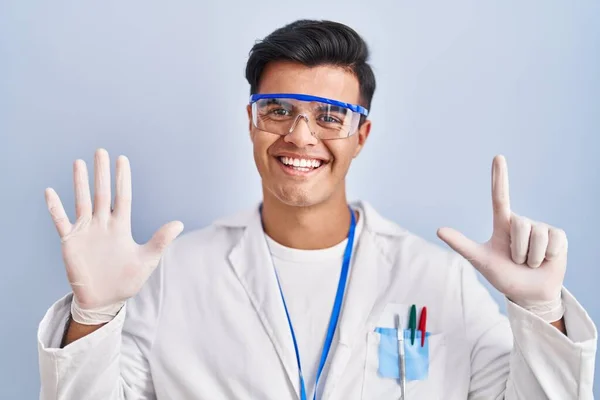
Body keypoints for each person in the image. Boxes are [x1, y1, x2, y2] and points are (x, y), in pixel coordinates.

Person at [37, 19, 596, 400]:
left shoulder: (438, 279)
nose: (300, 135)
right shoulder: (174, 277)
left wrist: (541, 311)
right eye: (277, 109)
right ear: (251, 123)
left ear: (362, 135)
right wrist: (93, 316)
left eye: (330, 116)